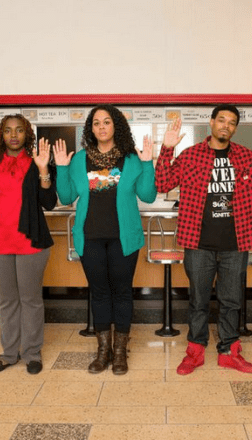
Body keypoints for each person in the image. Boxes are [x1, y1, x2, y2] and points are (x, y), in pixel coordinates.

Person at [155, 104, 252, 375]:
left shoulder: (245, 156)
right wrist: (166, 148)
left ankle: (229, 352)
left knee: (231, 300)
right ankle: (195, 353)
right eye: (221, 120)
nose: (226, 126)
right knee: (198, 300)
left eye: (232, 122)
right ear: (211, 122)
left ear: (235, 128)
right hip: (198, 243)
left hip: (236, 244)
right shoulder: (191, 156)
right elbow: (162, 183)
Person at [54, 104, 156, 375]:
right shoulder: (80, 160)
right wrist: (61, 169)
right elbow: (65, 198)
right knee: (99, 294)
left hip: (124, 239)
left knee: (122, 293)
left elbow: (147, 195)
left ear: (116, 126)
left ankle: (120, 352)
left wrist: (148, 164)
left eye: (107, 122)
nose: (101, 127)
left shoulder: (131, 158)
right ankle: (103, 352)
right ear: (91, 128)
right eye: (96, 123)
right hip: (91, 238)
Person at [0, 114, 57, 375]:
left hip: (31, 244)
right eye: (8, 131)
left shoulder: (36, 163)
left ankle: (31, 353)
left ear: (27, 135)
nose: (14, 135)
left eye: (19, 130)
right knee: (7, 301)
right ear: (1, 136)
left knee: (30, 300)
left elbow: (49, 202)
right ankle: (8, 354)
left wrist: (43, 170)